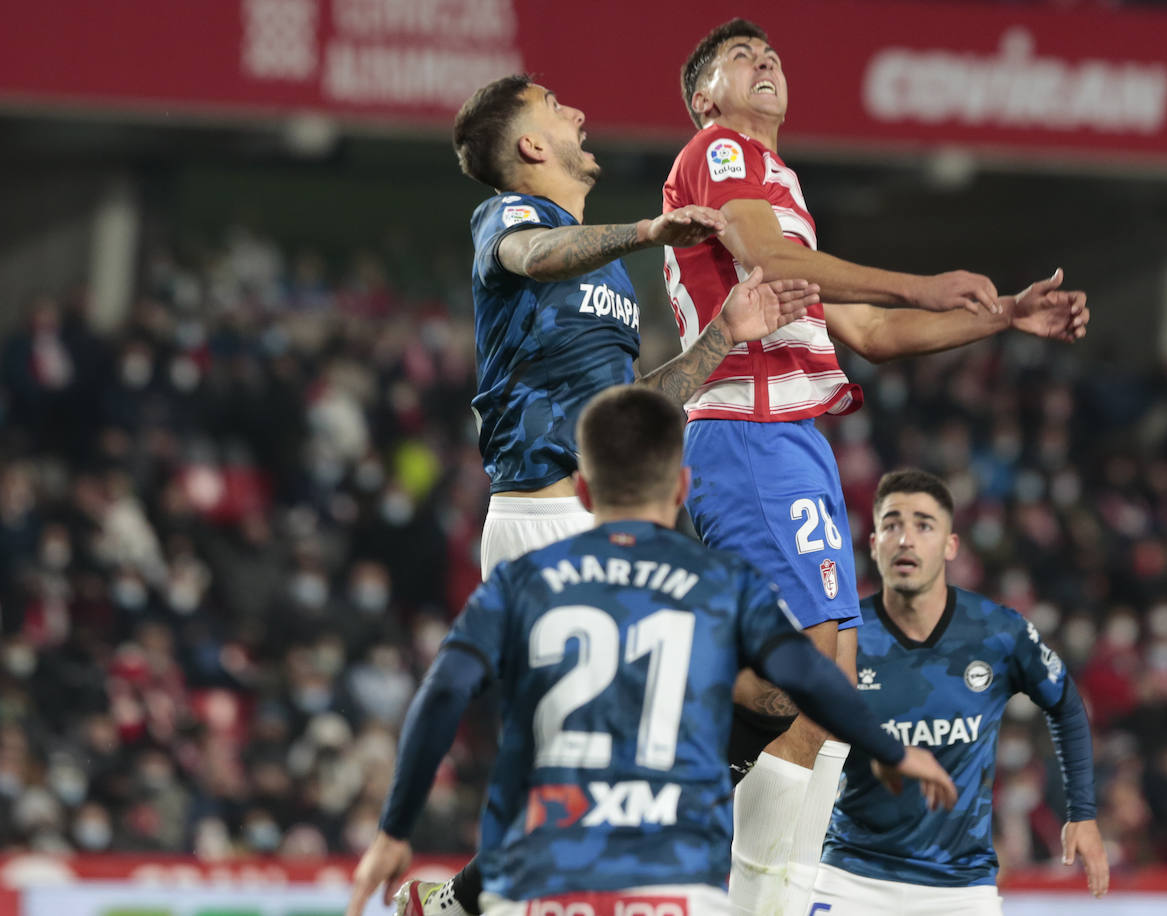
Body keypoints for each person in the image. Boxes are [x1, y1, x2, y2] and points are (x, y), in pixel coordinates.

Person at [665, 19, 1091, 915]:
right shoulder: (720, 151)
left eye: (772, 53)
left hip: (797, 439)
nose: (765, 61)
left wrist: (1002, 317)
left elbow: (868, 333)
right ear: (705, 96)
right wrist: (920, 280)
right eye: (740, 59)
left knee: (832, 692)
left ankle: (761, 871)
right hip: (747, 430)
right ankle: (719, 855)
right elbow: (770, 260)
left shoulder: (779, 183)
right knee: (805, 679)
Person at [345, 387, 959, 916]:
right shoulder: (720, 586)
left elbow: (445, 691)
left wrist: (395, 829)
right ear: (684, 488)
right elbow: (804, 678)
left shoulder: (522, 582)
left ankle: (462, 901)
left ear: (583, 491)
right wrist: (889, 749)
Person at [456, 73, 820, 579]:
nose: (577, 115)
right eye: (555, 104)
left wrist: (724, 333)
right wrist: (646, 231)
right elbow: (537, 254)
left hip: (607, 513)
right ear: (531, 145)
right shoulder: (507, 216)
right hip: (540, 517)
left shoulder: (608, 267)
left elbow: (630, 406)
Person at [809, 468, 1109, 915]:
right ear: (873, 545)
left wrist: (1082, 812)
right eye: (891, 524)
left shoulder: (998, 633)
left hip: (960, 887)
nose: (905, 539)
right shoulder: (845, 637)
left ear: (950, 546)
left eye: (923, 525)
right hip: (850, 876)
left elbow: (1065, 705)